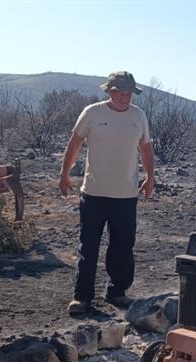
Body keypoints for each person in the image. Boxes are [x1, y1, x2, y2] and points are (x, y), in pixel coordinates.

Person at [59, 71, 155, 315]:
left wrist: (150, 177)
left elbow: (145, 147)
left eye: (128, 93)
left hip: (126, 194)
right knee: (88, 246)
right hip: (93, 192)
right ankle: (82, 297)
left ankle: (117, 292)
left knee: (123, 245)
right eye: (119, 92)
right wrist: (64, 175)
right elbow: (75, 143)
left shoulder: (138, 116)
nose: (124, 97)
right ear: (109, 91)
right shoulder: (92, 112)